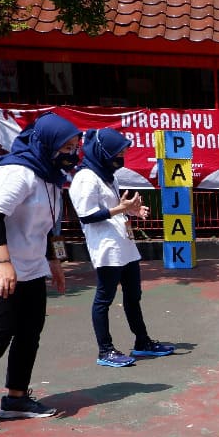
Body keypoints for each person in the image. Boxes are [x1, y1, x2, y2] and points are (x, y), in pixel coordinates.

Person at [0, 113, 82, 433]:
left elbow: (49, 225)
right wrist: (3, 263)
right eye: (66, 146)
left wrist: (54, 261)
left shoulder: (51, 176)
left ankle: (16, 398)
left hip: (29, 264)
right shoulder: (18, 172)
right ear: (47, 144)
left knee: (29, 331)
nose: (71, 153)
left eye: (74, 146)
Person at [70, 127, 174, 368]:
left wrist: (133, 210)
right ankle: (105, 350)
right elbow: (87, 215)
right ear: (102, 151)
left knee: (133, 296)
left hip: (124, 244)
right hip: (106, 248)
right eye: (118, 153)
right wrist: (121, 209)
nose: (121, 158)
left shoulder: (108, 175)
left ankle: (142, 342)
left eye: (123, 154)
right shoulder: (85, 178)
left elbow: (115, 206)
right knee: (104, 299)